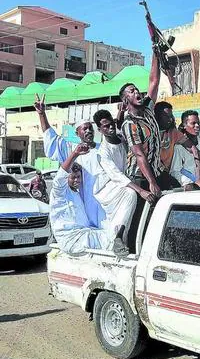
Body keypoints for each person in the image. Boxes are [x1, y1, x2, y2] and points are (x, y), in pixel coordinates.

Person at [35, 94, 105, 227]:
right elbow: (51, 138)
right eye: (84, 128)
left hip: (101, 202)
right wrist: (42, 114)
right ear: (77, 133)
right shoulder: (71, 149)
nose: (89, 131)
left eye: (90, 128)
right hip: (80, 203)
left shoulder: (103, 149)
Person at [92, 109, 156, 255]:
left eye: (112, 124)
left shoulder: (122, 139)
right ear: (99, 129)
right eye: (105, 127)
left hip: (125, 182)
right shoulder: (103, 152)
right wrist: (141, 191)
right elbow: (117, 176)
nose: (110, 128)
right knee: (130, 193)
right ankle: (118, 236)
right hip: (108, 189)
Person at [49, 144, 113, 254]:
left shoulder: (77, 193)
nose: (77, 180)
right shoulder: (59, 193)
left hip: (83, 234)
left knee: (110, 234)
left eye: (78, 177)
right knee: (109, 241)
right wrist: (75, 154)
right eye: (73, 177)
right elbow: (61, 176)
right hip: (71, 238)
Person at [119, 47, 164, 196]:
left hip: (156, 171)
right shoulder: (130, 123)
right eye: (132, 91)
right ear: (126, 99)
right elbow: (139, 155)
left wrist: (156, 54)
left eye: (137, 89)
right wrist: (152, 182)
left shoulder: (148, 110)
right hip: (139, 176)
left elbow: (154, 82)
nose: (137, 92)